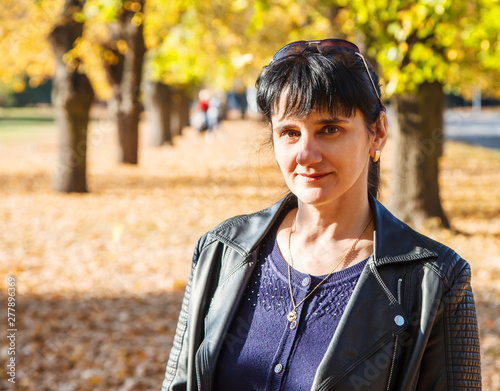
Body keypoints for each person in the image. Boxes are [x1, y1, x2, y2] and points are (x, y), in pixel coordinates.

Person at [162, 39, 481, 391]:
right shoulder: (221, 252)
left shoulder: (435, 281)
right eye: (289, 133)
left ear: (377, 133)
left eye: (329, 129)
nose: (306, 153)